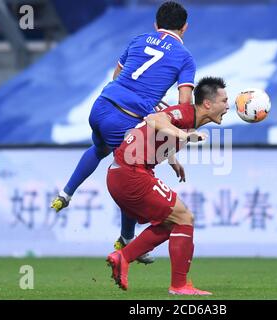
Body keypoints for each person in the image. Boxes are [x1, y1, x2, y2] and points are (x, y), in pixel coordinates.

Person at [50, 1, 196, 264]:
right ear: (185, 27)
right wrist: (172, 151)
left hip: (101, 106)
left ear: (155, 24)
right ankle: (127, 239)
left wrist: (145, 101)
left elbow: (118, 75)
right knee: (132, 169)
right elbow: (184, 107)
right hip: (124, 118)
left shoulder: (139, 39)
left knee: (100, 149)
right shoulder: (185, 57)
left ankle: (66, 193)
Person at [106, 76, 229, 295]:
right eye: (224, 101)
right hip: (131, 174)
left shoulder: (189, 121)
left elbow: (157, 131)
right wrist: (184, 136)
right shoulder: (185, 113)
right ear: (208, 104)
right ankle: (179, 286)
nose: (228, 106)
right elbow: (155, 119)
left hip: (122, 174)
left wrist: (172, 159)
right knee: (184, 218)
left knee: (171, 223)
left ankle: (122, 258)